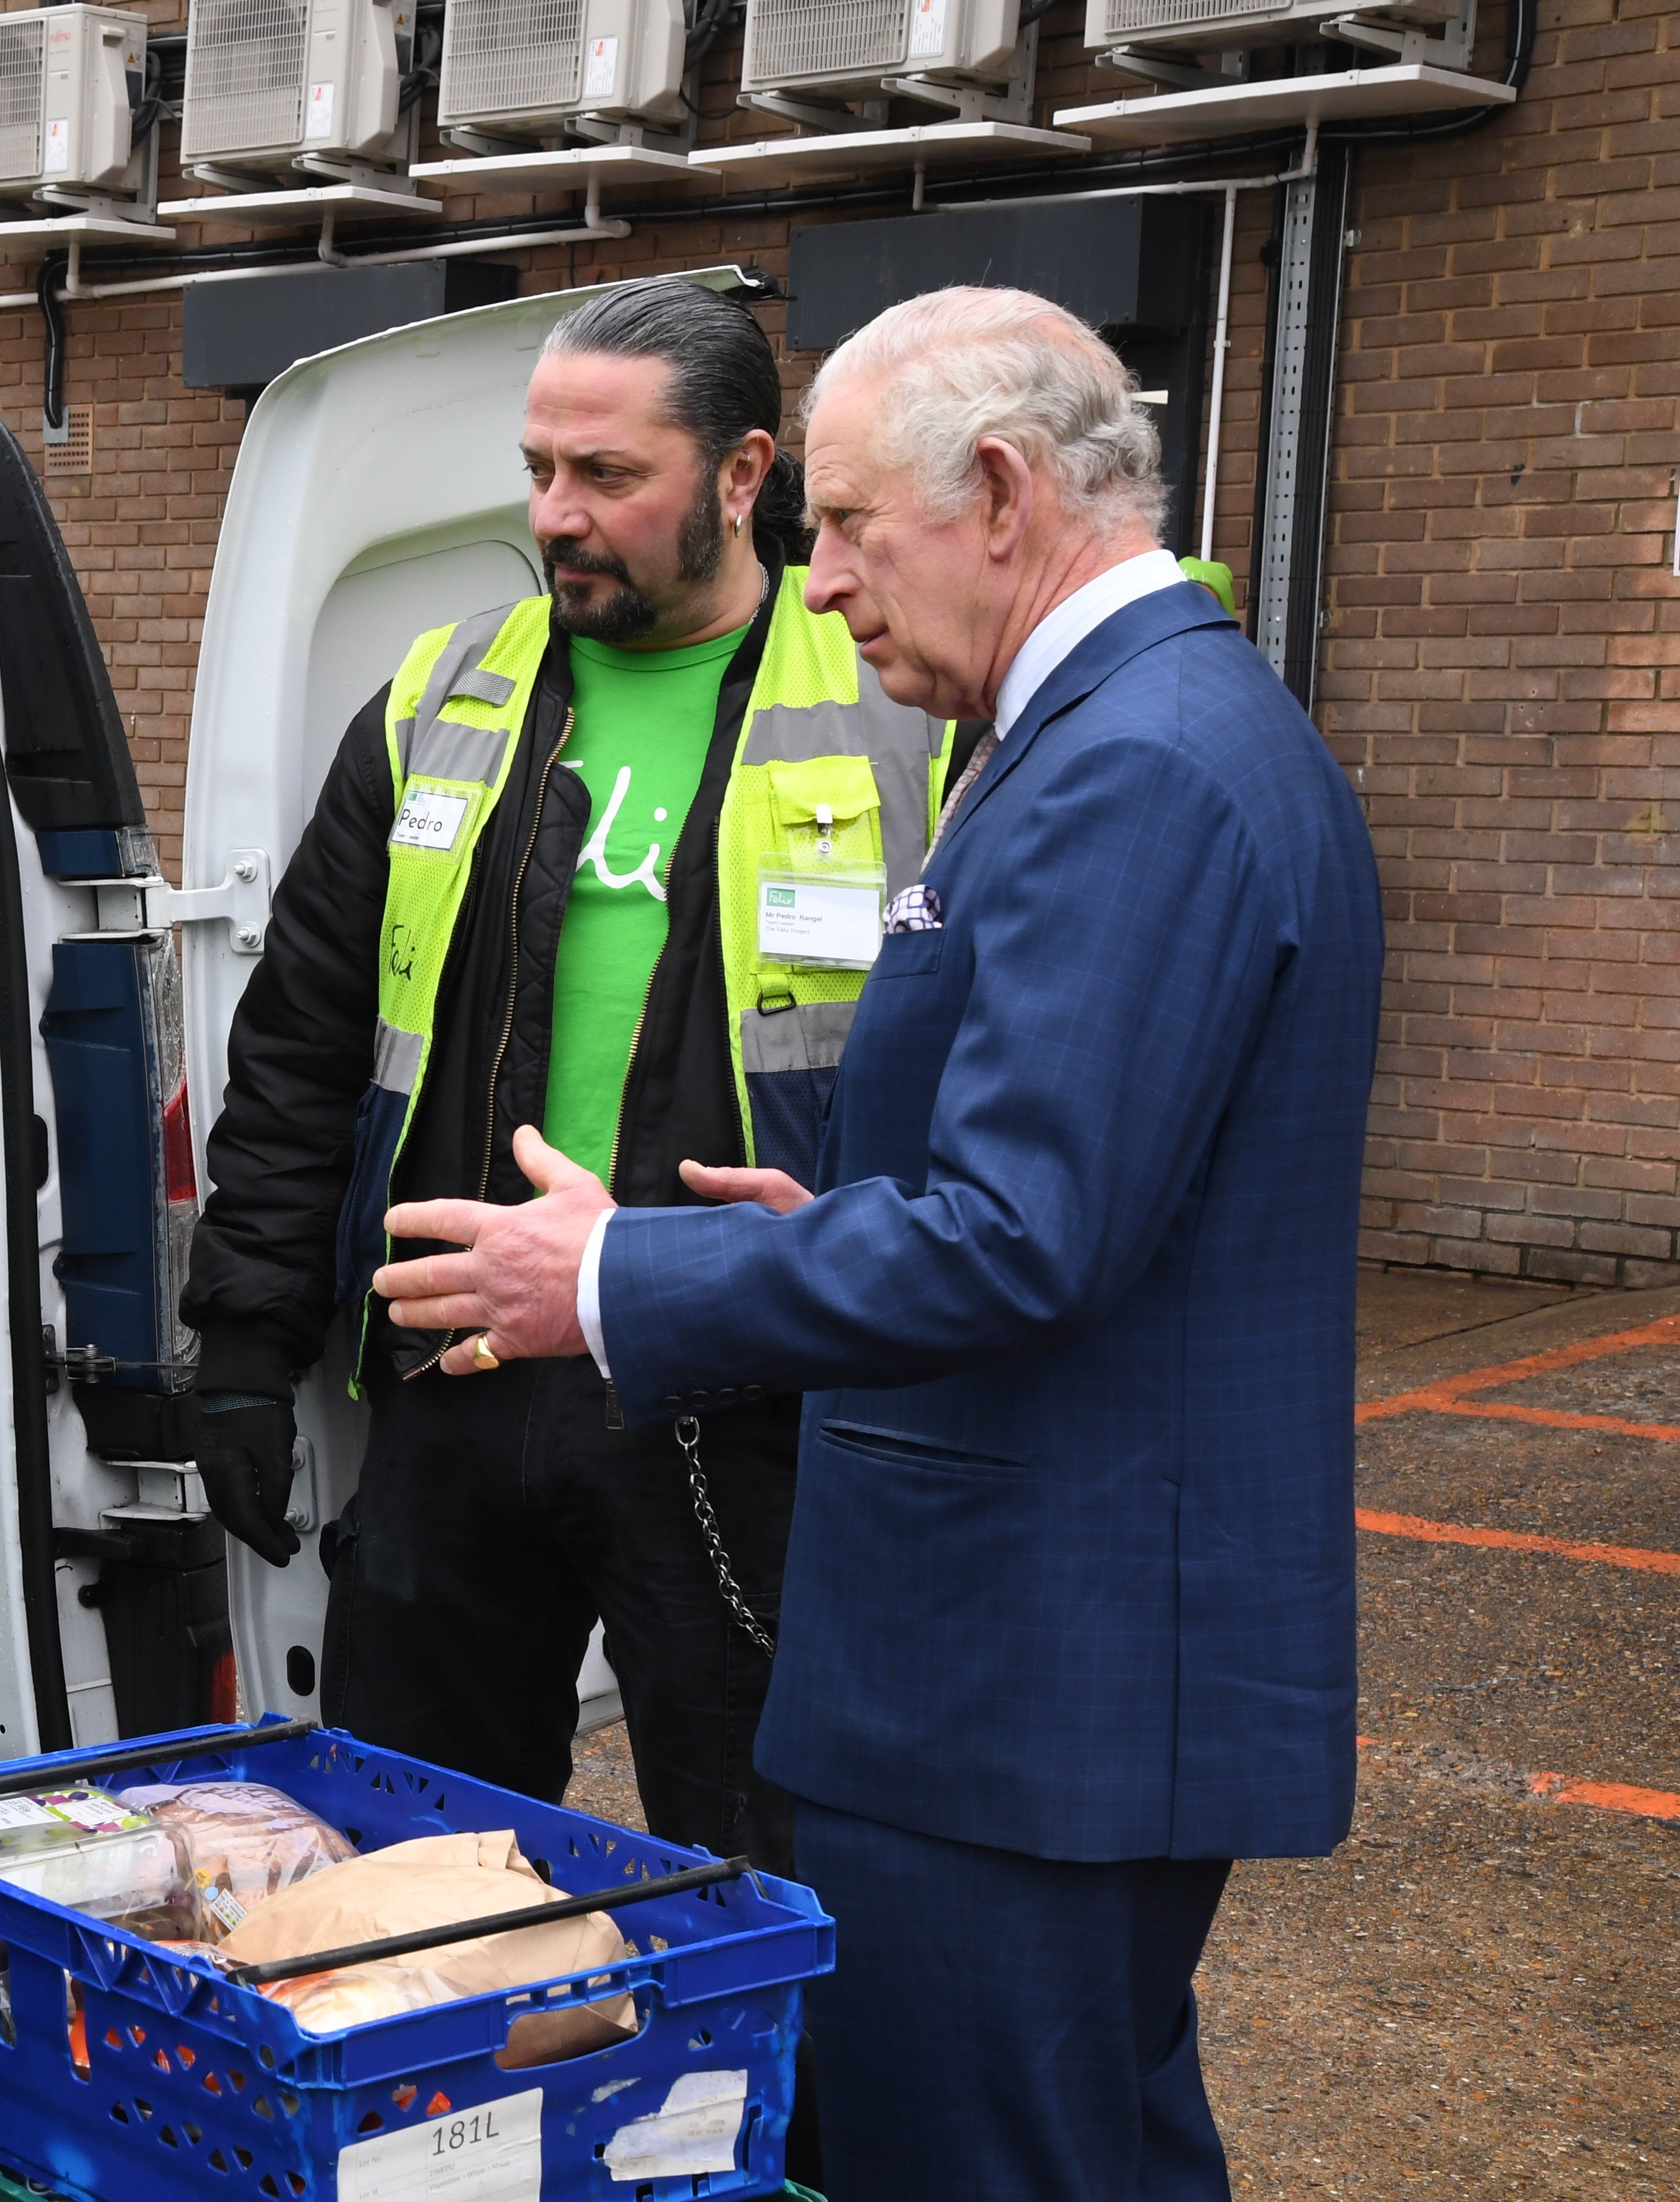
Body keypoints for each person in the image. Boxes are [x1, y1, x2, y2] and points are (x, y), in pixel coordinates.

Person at [375, 286, 1380, 2201]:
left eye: (842, 522)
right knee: (1093, 2147)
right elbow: (1086, 1199)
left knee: (980, 2160)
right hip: (1035, 1675)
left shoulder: (1136, 765)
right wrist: (832, 1226)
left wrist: (603, 1281)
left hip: (1022, 1698)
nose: (815, 579)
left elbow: (1026, 1241)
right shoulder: (1107, 729)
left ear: (999, 491)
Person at [180, 278, 950, 1888]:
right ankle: (444, 2133)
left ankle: (769, 2139)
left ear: (746, 476)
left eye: (608, 477)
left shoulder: (899, 709)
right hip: (459, 1372)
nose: (557, 515)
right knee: (414, 1856)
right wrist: (247, 1340)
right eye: (540, 470)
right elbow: (309, 1040)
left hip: (736, 1387)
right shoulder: (438, 698)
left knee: (766, 1860)